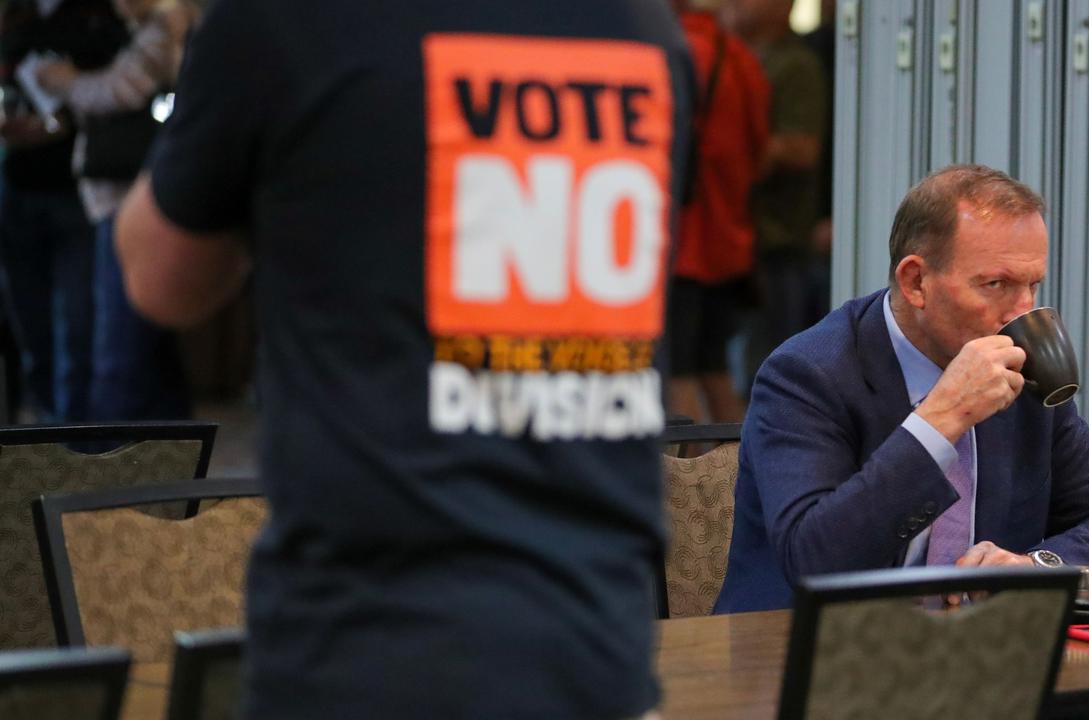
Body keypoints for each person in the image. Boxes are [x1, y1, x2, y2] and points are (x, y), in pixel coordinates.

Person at [115, 1, 693, 718]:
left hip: (370, 652)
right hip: (596, 648)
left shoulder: (288, 20)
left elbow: (159, 278)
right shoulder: (642, 28)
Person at [714, 165, 1089, 614]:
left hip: (976, 654)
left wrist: (1032, 566)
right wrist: (941, 419)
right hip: (797, 655)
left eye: (1033, 284)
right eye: (996, 284)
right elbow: (815, 563)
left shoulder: (1022, 368)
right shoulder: (807, 374)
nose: (1022, 311)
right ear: (916, 282)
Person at [34, 0, 199, 421]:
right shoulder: (131, 27)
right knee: (141, 351)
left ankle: (109, 474)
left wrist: (67, 82)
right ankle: (168, 467)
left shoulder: (168, 23)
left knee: (118, 357)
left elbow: (124, 88)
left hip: (132, 199)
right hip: (120, 197)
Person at [0, 0, 127, 422]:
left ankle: (75, 446)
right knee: (31, 331)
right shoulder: (16, 16)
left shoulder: (101, 17)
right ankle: (45, 442)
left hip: (78, 193)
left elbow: (121, 96)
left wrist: (63, 116)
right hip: (17, 186)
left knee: (78, 332)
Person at [666, 0, 769, 424]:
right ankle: (731, 480)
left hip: (683, 241)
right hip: (728, 239)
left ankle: (690, 487)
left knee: (677, 375)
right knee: (715, 371)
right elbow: (758, 152)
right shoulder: (740, 57)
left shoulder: (674, 51)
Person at [723, 0, 826, 394]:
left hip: (781, 240)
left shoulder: (794, 64)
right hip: (743, 239)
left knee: (767, 368)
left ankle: (753, 451)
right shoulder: (737, 56)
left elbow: (803, 147)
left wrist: (735, 150)